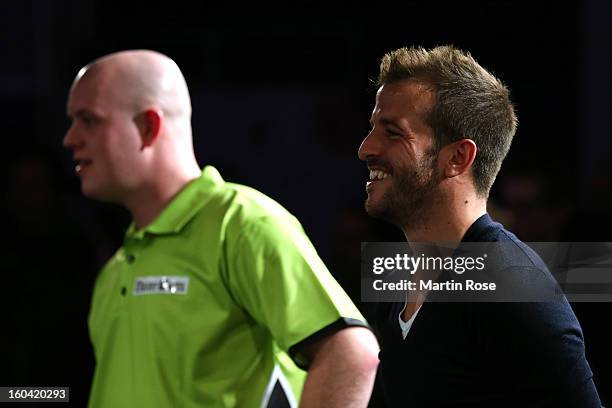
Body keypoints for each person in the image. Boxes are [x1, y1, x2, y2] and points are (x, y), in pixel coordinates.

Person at [63, 49, 379, 407]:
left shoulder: (241, 224)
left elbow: (351, 352)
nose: (70, 139)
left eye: (88, 120)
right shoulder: (117, 268)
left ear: (148, 125)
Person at [358, 45, 602, 407]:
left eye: (393, 132)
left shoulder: (513, 288)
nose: (366, 148)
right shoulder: (396, 280)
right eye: (372, 128)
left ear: (458, 157)